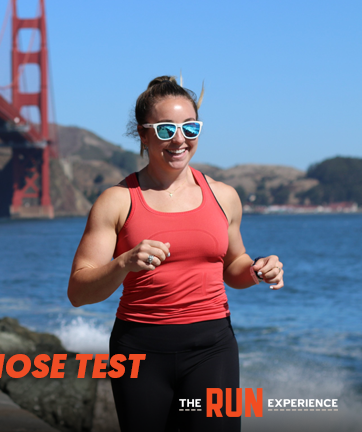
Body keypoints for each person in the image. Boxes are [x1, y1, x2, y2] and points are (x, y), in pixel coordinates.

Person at [67, 76, 285, 432]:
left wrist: (258, 270)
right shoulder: (117, 200)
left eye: (190, 127)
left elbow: (234, 267)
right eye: (166, 129)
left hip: (213, 349)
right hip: (139, 351)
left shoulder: (224, 196)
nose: (180, 139)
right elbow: (78, 292)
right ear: (143, 134)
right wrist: (124, 262)